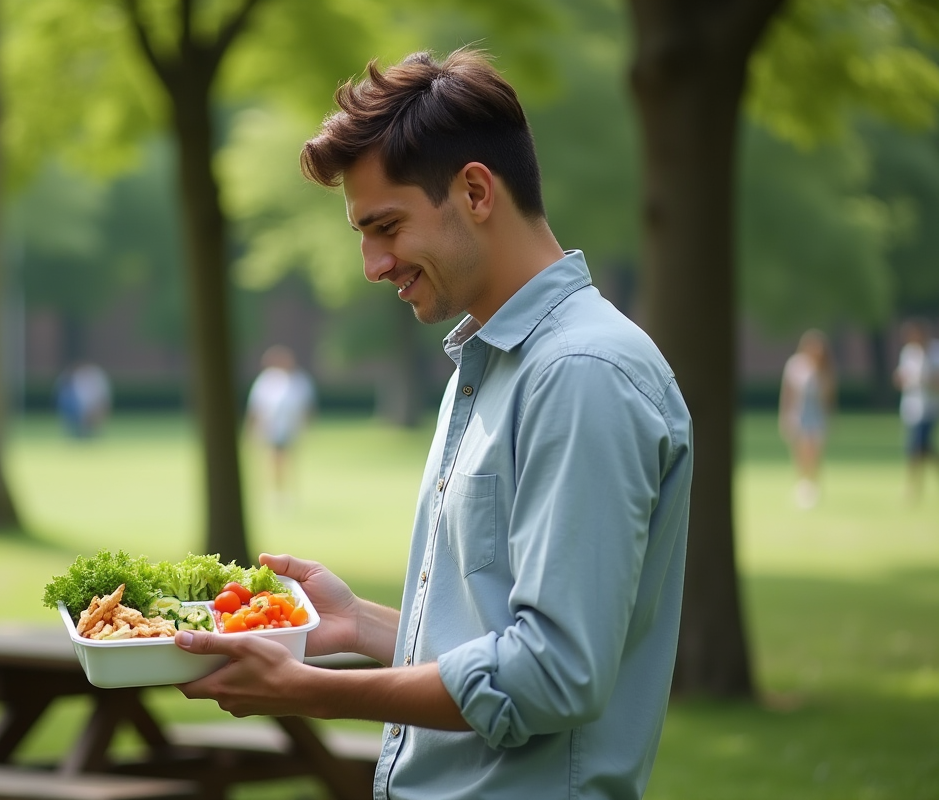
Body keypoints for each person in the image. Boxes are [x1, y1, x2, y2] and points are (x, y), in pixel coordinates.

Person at [172, 49, 693, 800]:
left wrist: (316, 693)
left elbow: (554, 675)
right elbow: (491, 643)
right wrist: (358, 627)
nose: (371, 265)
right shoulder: (488, 364)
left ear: (476, 190)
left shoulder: (581, 372)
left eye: (385, 226)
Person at [245, 345, 316, 498]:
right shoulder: (266, 380)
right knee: (273, 461)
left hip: (291, 428)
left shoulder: (299, 380)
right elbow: (256, 407)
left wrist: (305, 425)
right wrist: (252, 429)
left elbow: (306, 407)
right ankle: (277, 491)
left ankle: (287, 492)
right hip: (271, 428)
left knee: (288, 460)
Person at [778, 329, 836, 509]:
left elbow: (828, 397)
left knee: (814, 452)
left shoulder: (825, 368)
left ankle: (813, 485)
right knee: (801, 452)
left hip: (817, 415)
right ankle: (803, 485)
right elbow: (787, 394)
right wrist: (784, 416)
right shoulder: (795, 365)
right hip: (799, 414)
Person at [893, 320, 939, 501]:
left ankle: (913, 487)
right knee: (921, 447)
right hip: (912, 408)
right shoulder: (909, 353)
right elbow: (900, 377)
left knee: (917, 446)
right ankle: (914, 486)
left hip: (930, 408)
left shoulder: (935, 351)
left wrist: (925, 380)